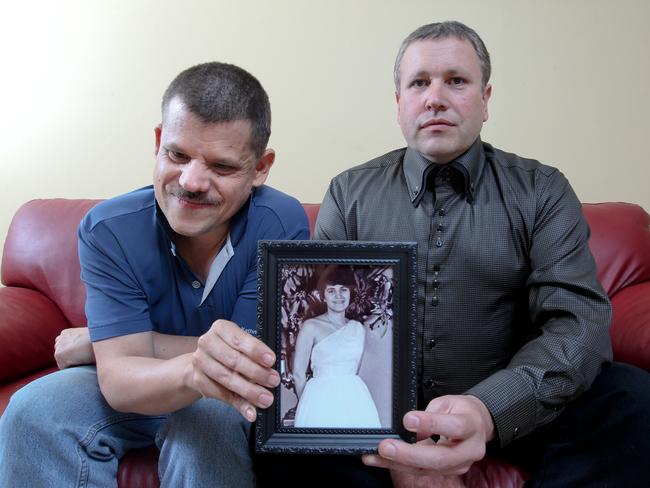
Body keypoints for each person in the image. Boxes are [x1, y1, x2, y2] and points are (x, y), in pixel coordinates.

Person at [315, 21, 650, 487]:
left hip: (513, 417)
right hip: (377, 417)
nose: (435, 97)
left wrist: (487, 410)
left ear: (486, 99)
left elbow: (580, 324)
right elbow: (318, 315)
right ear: (399, 104)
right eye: (418, 83)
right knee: (287, 431)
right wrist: (396, 447)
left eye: (456, 80)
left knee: (631, 398)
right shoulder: (348, 193)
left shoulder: (542, 191)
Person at [0, 62, 310, 487]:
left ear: (260, 168)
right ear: (159, 141)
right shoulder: (107, 228)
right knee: (34, 409)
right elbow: (121, 382)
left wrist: (104, 342)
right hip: (144, 386)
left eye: (221, 167)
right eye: (177, 155)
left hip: (225, 401)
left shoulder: (281, 221)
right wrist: (188, 367)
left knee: (206, 415)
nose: (191, 181)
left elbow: (248, 364)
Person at [292, 267, 381, 428]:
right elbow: (298, 373)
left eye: (343, 290)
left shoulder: (358, 329)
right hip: (319, 399)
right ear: (323, 296)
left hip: (354, 399)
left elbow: (358, 369)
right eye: (331, 291)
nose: (338, 296)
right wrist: (308, 404)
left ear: (350, 293)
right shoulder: (311, 326)